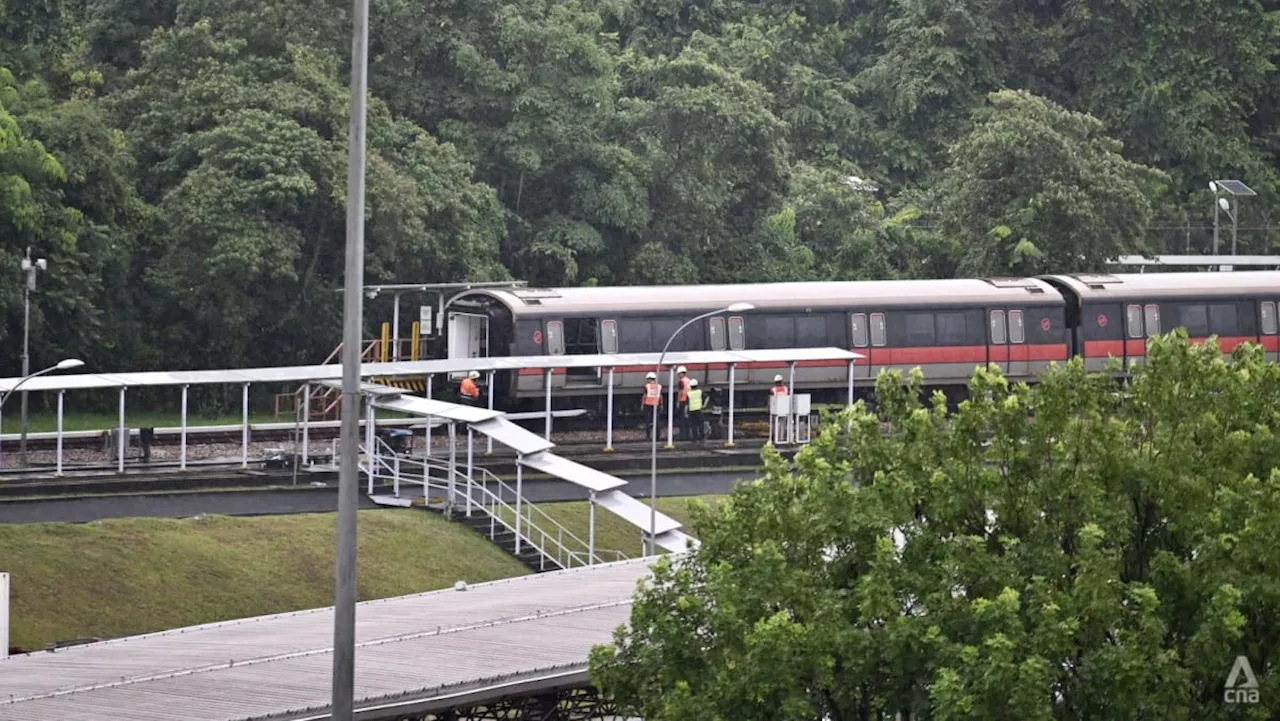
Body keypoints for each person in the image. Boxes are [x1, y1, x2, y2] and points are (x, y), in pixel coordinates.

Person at [642, 371, 662, 437]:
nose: (647, 380)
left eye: (647, 379)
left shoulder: (647, 386)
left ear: (649, 379)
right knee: (657, 420)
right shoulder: (659, 386)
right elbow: (661, 396)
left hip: (648, 405)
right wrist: (661, 404)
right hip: (656, 404)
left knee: (648, 420)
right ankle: (658, 436)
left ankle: (648, 435)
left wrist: (642, 404)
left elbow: (644, 396)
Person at [675, 366, 691, 439]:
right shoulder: (689, 380)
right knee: (686, 417)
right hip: (688, 400)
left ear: (682, 373)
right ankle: (687, 433)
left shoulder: (681, 381)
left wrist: (678, 402)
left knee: (682, 418)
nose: (678, 375)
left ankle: (683, 434)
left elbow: (680, 392)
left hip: (683, 400)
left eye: (679, 374)